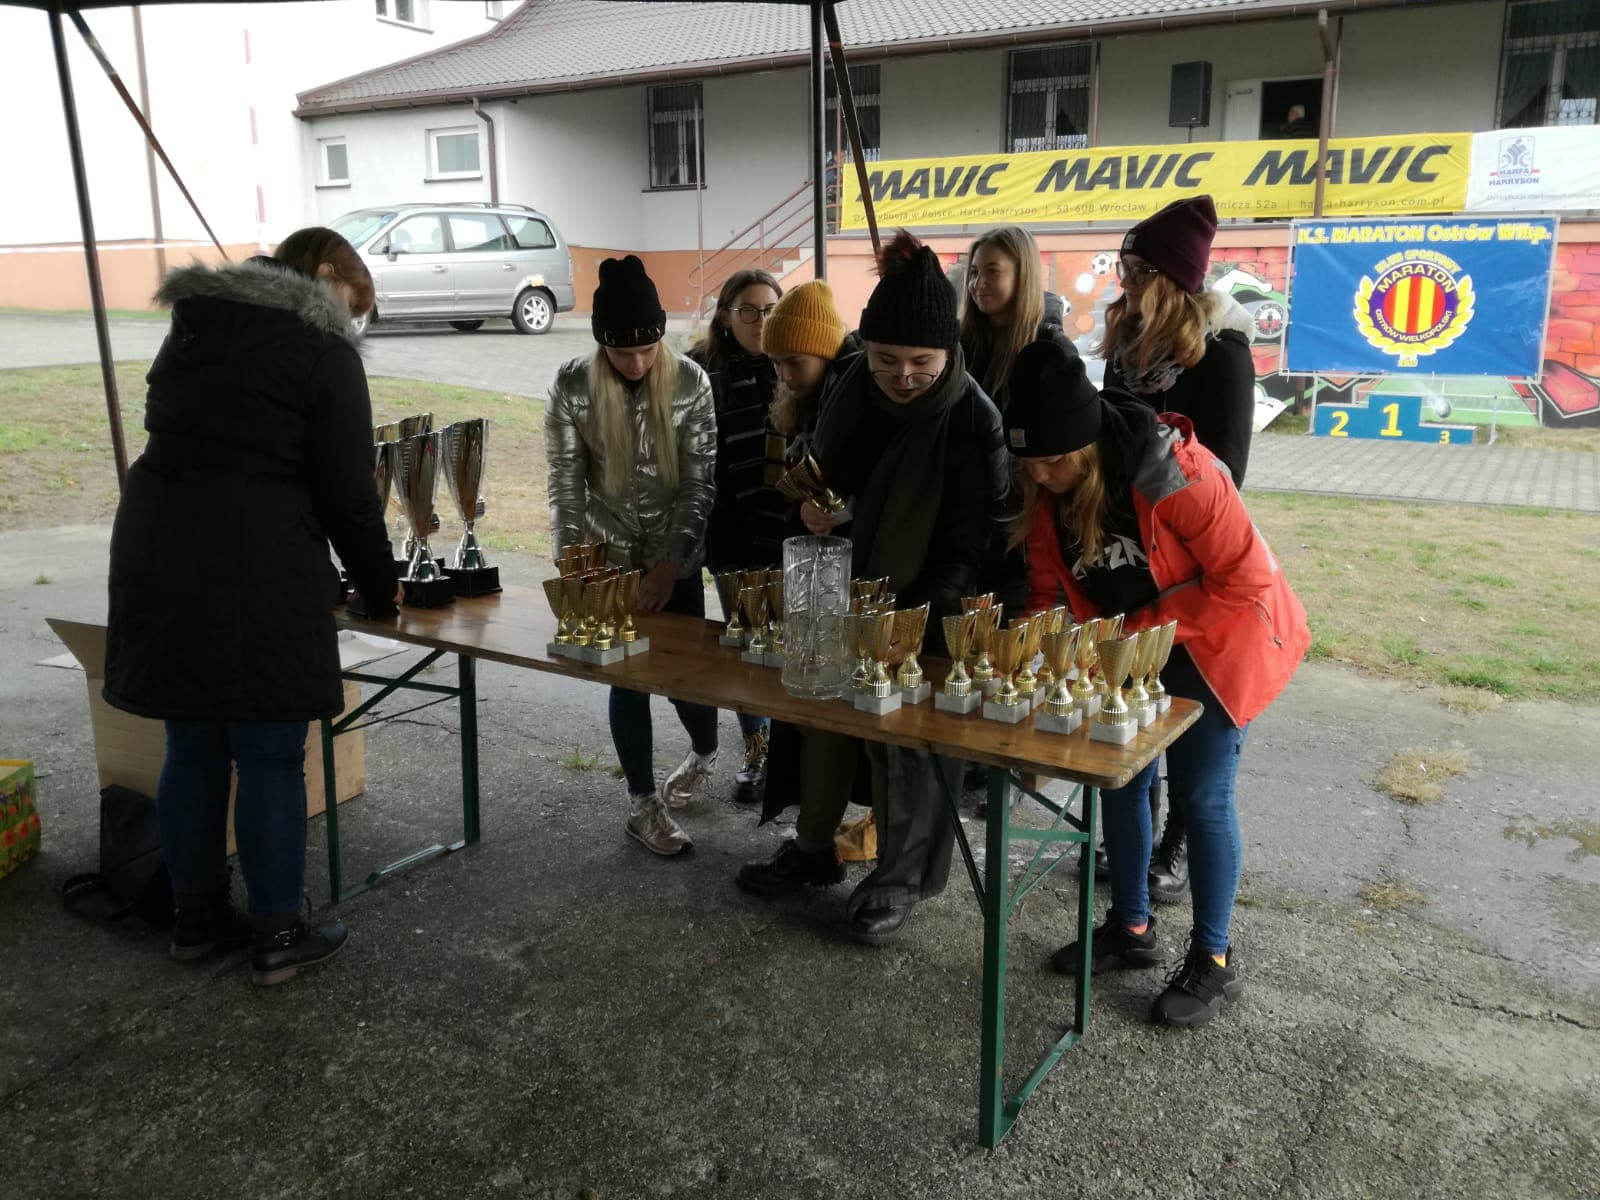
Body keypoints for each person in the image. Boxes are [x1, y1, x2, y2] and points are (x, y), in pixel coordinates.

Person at [103, 228, 398, 986]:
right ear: (328, 272)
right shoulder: (322, 352)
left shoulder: (197, 325)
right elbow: (350, 496)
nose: (352, 321)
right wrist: (380, 587)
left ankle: (195, 919)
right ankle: (279, 932)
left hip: (160, 551)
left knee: (192, 745)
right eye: (353, 303)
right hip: (257, 562)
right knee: (268, 753)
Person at [1002, 339, 1309, 1026]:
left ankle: (1214, 959)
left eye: (1053, 460)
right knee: (1122, 781)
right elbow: (1049, 587)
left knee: (1202, 798)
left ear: (1088, 443)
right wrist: (1035, 653)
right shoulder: (1045, 485)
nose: (1041, 475)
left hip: (1216, 641)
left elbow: (1245, 579)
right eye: (1029, 463)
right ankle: (1132, 927)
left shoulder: (1177, 473)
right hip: (1134, 642)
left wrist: (1136, 631)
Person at [736, 230, 1009, 945]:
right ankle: (813, 847)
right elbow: (824, 471)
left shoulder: (973, 419)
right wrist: (815, 510)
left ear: (947, 354)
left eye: (921, 363)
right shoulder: (854, 381)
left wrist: (914, 630)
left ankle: (898, 878)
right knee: (819, 716)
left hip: (929, 604)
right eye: (888, 359)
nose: (903, 377)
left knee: (903, 746)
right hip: (840, 583)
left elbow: (970, 544)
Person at [1100, 194, 1258, 903]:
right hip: (1132, 559)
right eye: (1125, 269)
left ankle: (1177, 847)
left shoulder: (1222, 358)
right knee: (1138, 720)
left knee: (1194, 730)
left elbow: (1227, 472)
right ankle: (1136, 850)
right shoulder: (1126, 348)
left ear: (1174, 281)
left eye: (1140, 272)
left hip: (1194, 561)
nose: (1127, 283)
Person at [544, 255, 719, 856]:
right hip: (609, 555)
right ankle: (643, 804)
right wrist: (576, 569)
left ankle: (704, 751)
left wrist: (670, 564)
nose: (638, 363)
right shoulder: (573, 387)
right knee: (627, 680)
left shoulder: (692, 383)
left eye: (648, 349)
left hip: (678, 555)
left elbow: (699, 484)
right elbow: (565, 485)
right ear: (602, 346)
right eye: (622, 353)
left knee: (687, 681)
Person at [958, 224, 1081, 815]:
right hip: (971, 520)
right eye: (974, 272)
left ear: (1023, 275)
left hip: (1027, 522)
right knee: (976, 643)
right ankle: (979, 752)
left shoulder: (1050, 348)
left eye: (993, 272)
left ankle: (1011, 766)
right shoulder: (963, 342)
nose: (979, 283)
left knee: (1018, 647)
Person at [687, 269, 783, 806]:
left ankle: (793, 753)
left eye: (770, 309)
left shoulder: (794, 363)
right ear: (726, 315)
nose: (760, 320)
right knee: (747, 645)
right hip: (729, 531)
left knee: (788, 646)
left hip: (786, 530)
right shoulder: (701, 371)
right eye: (748, 310)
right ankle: (757, 750)